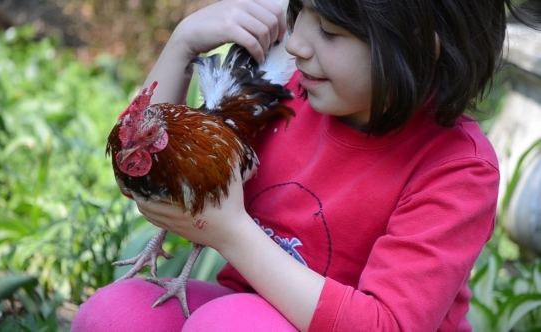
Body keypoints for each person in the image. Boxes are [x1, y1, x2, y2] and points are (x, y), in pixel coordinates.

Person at [71, 0, 537, 330]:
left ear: (423, 44)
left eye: (330, 32)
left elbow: (386, 325)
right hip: (245, 312)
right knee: (116, 316)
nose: (295, 44)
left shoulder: (456, 168)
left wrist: (230, 230)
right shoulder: (288, 92)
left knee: (229, 327)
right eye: (298, 13)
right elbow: (145, 159)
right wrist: (182, 44)